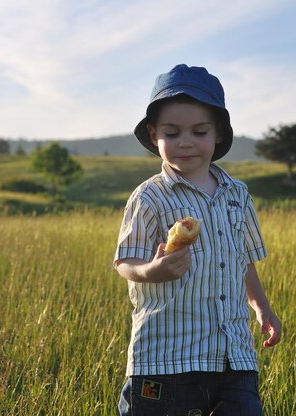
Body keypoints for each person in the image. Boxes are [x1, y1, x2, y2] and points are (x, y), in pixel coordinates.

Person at [114, 64, 282, 415]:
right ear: (153, 133)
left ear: (218, 133)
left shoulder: (238, 194)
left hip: (234, 357)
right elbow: (126, 262)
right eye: (172, 133)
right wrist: (153, 271)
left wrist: (262, 308)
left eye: (199, 131)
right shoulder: (149, 198)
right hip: (166, 361)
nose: (186, 142)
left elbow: (243, 261)